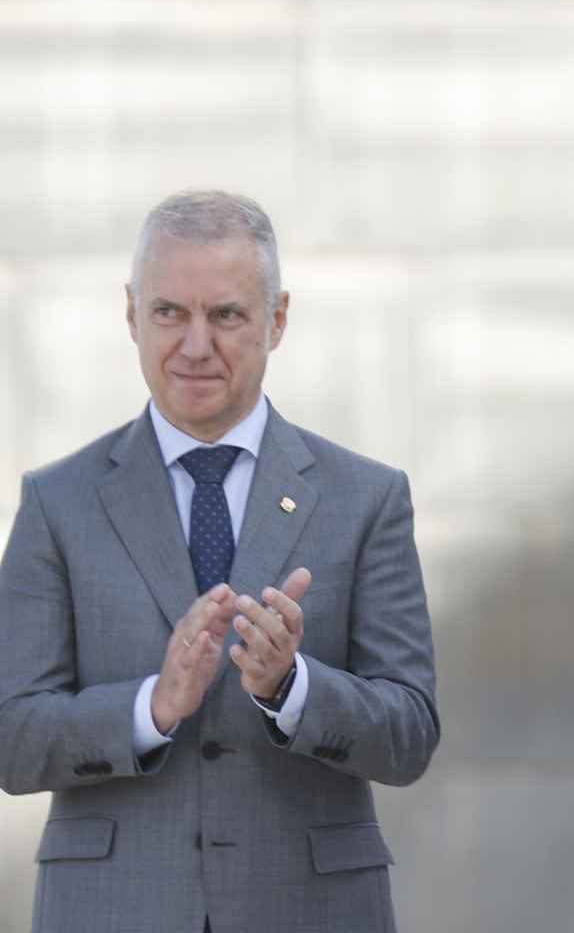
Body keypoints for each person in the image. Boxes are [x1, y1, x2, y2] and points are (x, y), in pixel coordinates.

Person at [0, 190, 440, 933]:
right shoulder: (58, 502)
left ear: (277, 320)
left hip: (310, 908)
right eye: (170, 312)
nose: (195, 344)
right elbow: (12, 740)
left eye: (226, 315)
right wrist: (152, 707)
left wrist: (291, 688)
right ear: (132, 315)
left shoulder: (366, 498)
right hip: (112, 910)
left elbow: (410, 735)